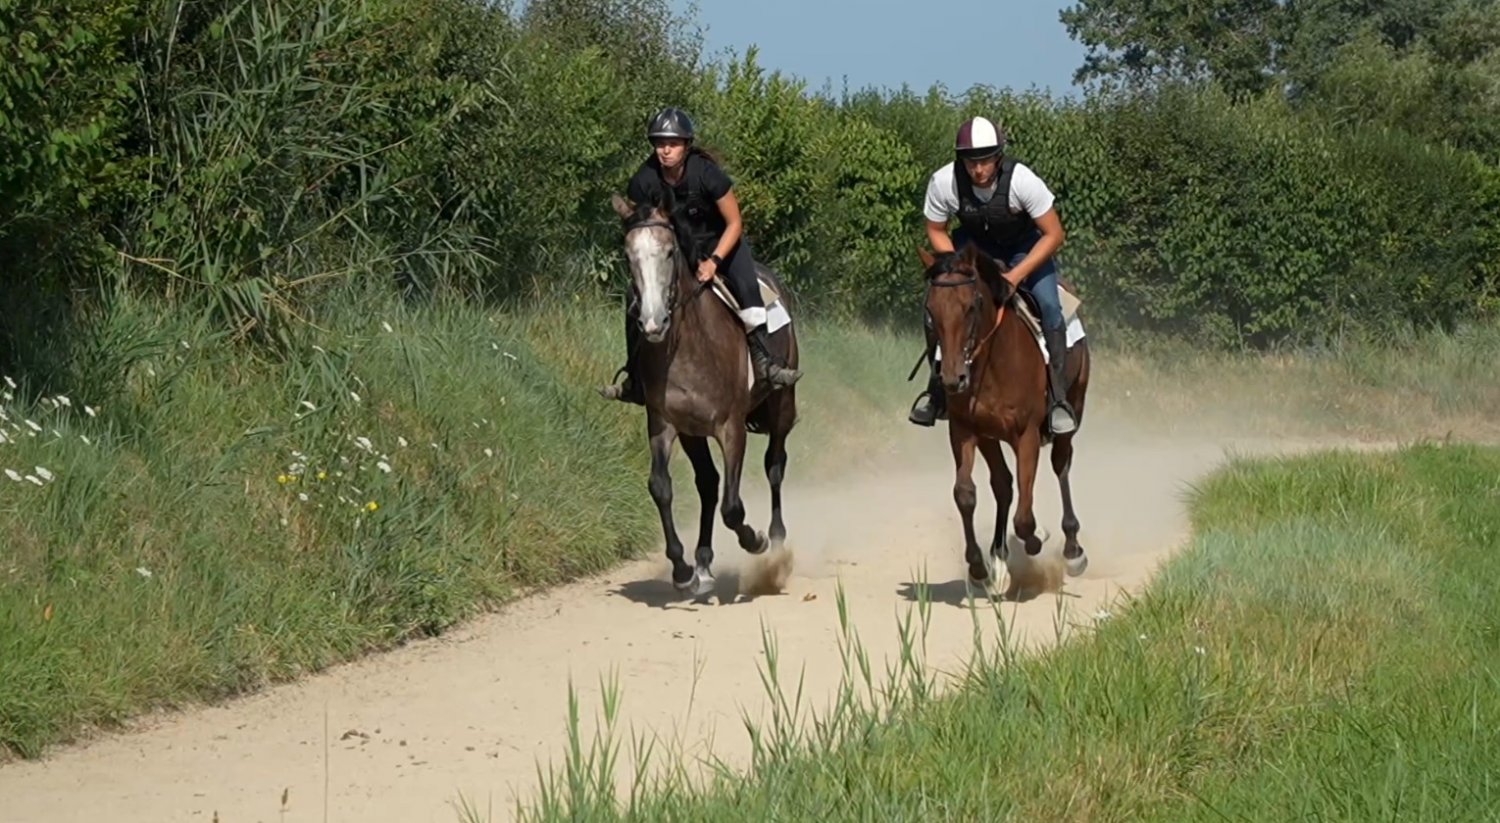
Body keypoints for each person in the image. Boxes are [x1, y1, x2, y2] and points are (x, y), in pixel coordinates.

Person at [600, 106, 802, 405]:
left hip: (722, 244)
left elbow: (735, 223)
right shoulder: (643, 180)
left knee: (748, 288)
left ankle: (765, 363)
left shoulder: (707, 175)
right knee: (636, 299)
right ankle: (635, 377)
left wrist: (714, 262)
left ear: (687, 145)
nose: (665, 150)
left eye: (673, 144)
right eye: (659, 143)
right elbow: (640, 224)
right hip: (677, 248)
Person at [908, 115, 1078, 435]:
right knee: (940, 308)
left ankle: (1058, 398)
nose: (978, 169)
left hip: (1024, 249)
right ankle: (936, 390)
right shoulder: (944, 182)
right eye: (970, 161)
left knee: (1049, 305)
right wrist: (953, 266)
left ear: (998, 157)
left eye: (985, 160)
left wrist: (1015, 276)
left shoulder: (1022, 181)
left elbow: (1054, 234)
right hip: (973, 251)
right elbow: (936, 229)